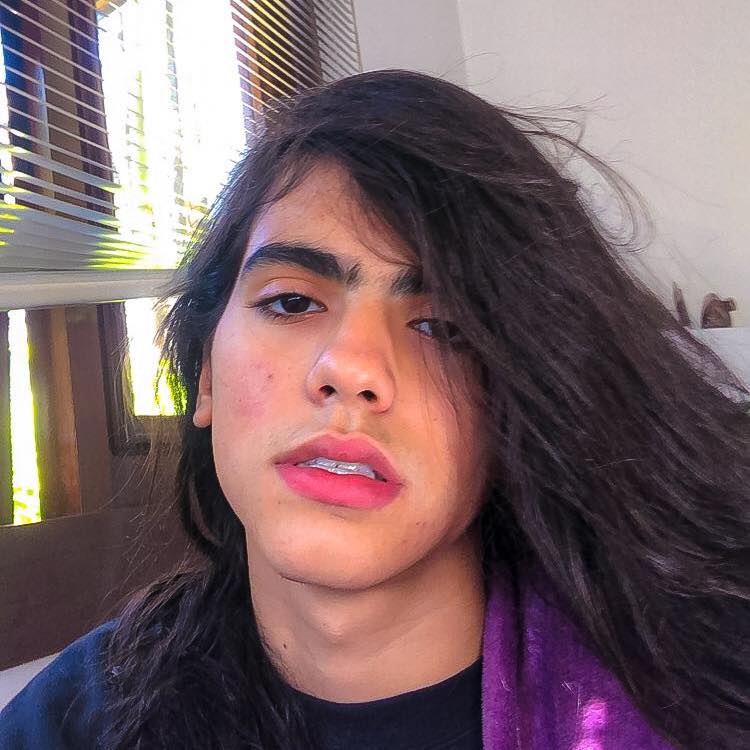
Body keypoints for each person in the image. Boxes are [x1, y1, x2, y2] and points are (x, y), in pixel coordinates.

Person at [1, 69, 749, 750]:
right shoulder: (81, 718)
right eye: (291, 303)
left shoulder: (686, 707)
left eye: (444, 328)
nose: (350, 369)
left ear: (521, 402)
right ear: (204, 375)